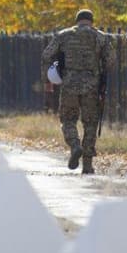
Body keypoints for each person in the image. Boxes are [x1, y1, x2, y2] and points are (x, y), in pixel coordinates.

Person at [41, 9, 113, 174]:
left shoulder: (63, 35)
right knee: (90, 123)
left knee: (68, 120)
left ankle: (74, 145)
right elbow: (111, 61)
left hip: (69, 86)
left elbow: (46, 55)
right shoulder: (100, 37)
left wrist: (47, 81)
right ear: (91, 21)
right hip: (91, 87)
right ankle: (87, 165)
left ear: (77, 21)